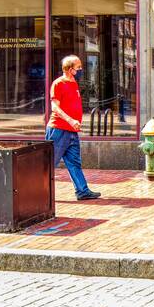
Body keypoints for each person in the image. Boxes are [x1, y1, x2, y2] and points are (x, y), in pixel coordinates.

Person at [45, 55, 101, 201]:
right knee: (49, 163)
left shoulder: (74, 83)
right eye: (79, 67)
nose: (81, 70)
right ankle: (38, 192)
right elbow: (54, 107)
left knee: (74, 162)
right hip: (58, 130)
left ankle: (82, 191)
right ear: (70, 70)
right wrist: (70, 120)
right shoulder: (58, 83)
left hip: (72, 130)